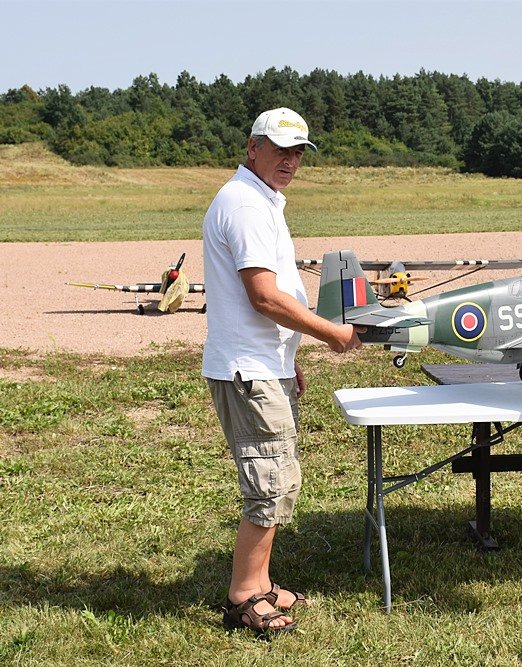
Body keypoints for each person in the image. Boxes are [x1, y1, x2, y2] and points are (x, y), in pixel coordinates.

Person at [202, 107, 364, 637]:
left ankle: (262, 583)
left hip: (264, 365)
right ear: (253, 148)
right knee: (268, 486)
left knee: (277, 477)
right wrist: (331, 334)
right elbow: (264, 297)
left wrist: (288, 358)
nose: (290, 161)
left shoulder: (262, 199)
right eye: (280, 150)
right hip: (249, 371)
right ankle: (244, 597)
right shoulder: (245, 204)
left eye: (298, 152)